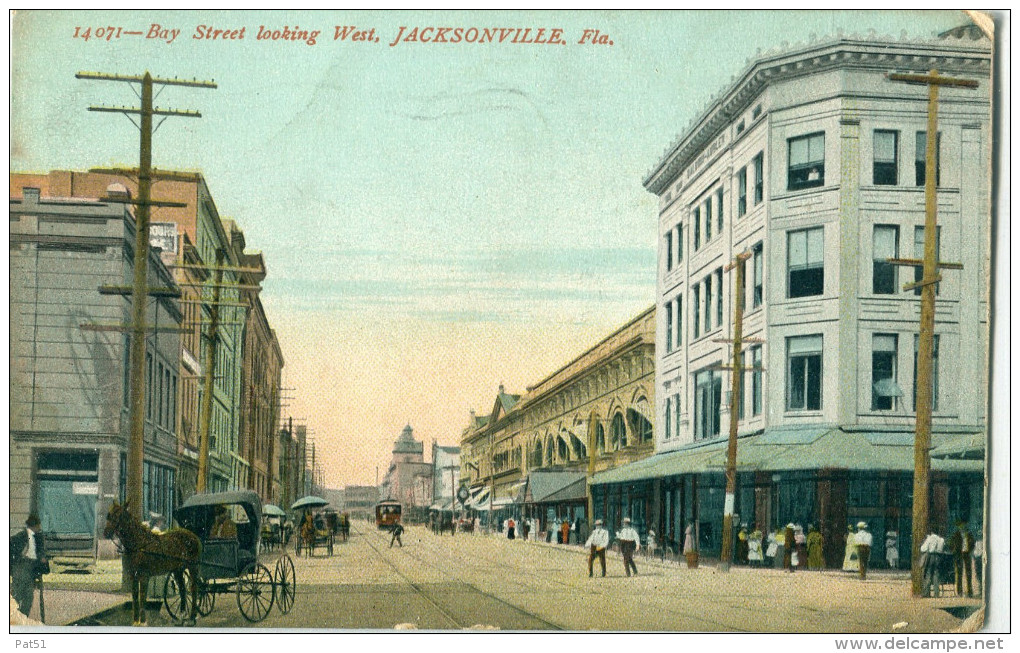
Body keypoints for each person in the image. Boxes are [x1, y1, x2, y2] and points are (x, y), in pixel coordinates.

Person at [10, 514, 48, 617]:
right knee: (17, 596)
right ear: (34, 525)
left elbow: (40, 554)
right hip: (20, 568)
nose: (39, 527)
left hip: (31, 569)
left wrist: (42, 562)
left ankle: (23, 618)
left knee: (28, 597)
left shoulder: (38, 537)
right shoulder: (20, 536)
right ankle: (14, 619)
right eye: (38, 525)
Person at [948, 520, 975, 597]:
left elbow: (973, 542)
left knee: (968, 573)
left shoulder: (969, 534)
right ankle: (959, 592)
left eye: (964, 526)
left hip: (967, 554)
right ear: (959, 527)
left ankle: (970, 592)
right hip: (959, 554)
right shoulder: (956, 534)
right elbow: (950, 543)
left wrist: (970, 550)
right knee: (959, 573)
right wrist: (953, 550)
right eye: (961, 526)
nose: (962, 527)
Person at [919, 531, 946, 597]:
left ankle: (926, 593)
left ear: (931, 532)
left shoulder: (929, 538)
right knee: (936, 574)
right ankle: (936, 593)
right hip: (938, 557)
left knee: (928, 574)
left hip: (930, 557)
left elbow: (923, 548)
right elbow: (941, 548)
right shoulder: (941, 539)